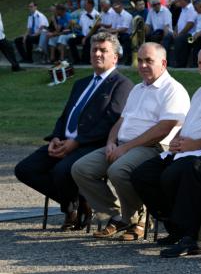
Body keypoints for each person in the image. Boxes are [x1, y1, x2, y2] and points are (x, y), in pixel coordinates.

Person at [131, 44, 201, 257]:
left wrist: (195, 145)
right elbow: (190, 123)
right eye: (199, 63)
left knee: (178, 172)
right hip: (185, 150)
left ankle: (193, 237)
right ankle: (177, 227)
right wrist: (177, 138)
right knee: (142, 174)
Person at [71, 42, 190, 241]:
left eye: (148, 61)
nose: (142, 65)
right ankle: (117, 216)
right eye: (140, 60)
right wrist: (111, 141)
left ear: (163, 63)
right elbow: (121, 120)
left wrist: (125, 148)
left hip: (154, 147)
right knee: (81, 169)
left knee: (118, 170)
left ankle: (139, 219)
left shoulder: (173, 90)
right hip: (123, 145)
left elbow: (164, 129)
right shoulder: (137, 89)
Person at [15, 33, 133, 230]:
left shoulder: (122, 85)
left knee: (62, 170)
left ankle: (71, 211)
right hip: (64, 142)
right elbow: (65, 116)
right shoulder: (81, 83)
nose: (97, 54)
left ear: (115, 57)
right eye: (94, 50)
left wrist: (76, 142)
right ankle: (79, 202)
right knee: (25, 169)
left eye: (103, 50)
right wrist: (56, 137)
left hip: (92, 145)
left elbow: (110, 122)